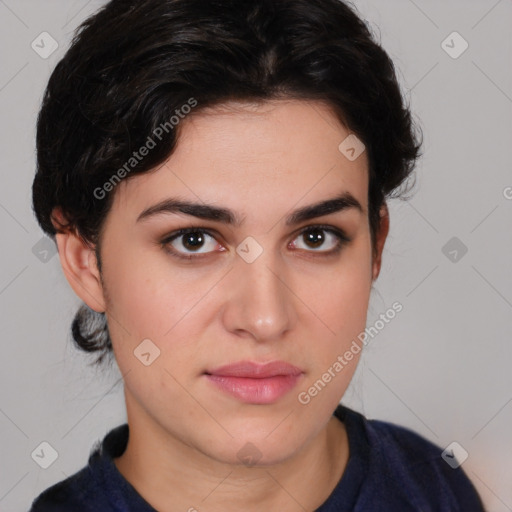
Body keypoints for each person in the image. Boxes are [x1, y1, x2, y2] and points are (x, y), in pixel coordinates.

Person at [29, 0, 485, 510]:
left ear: (376, 245)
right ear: (85, 261)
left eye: (316, 237)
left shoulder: (438, 488)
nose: (265, 318)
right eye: (193, 240)